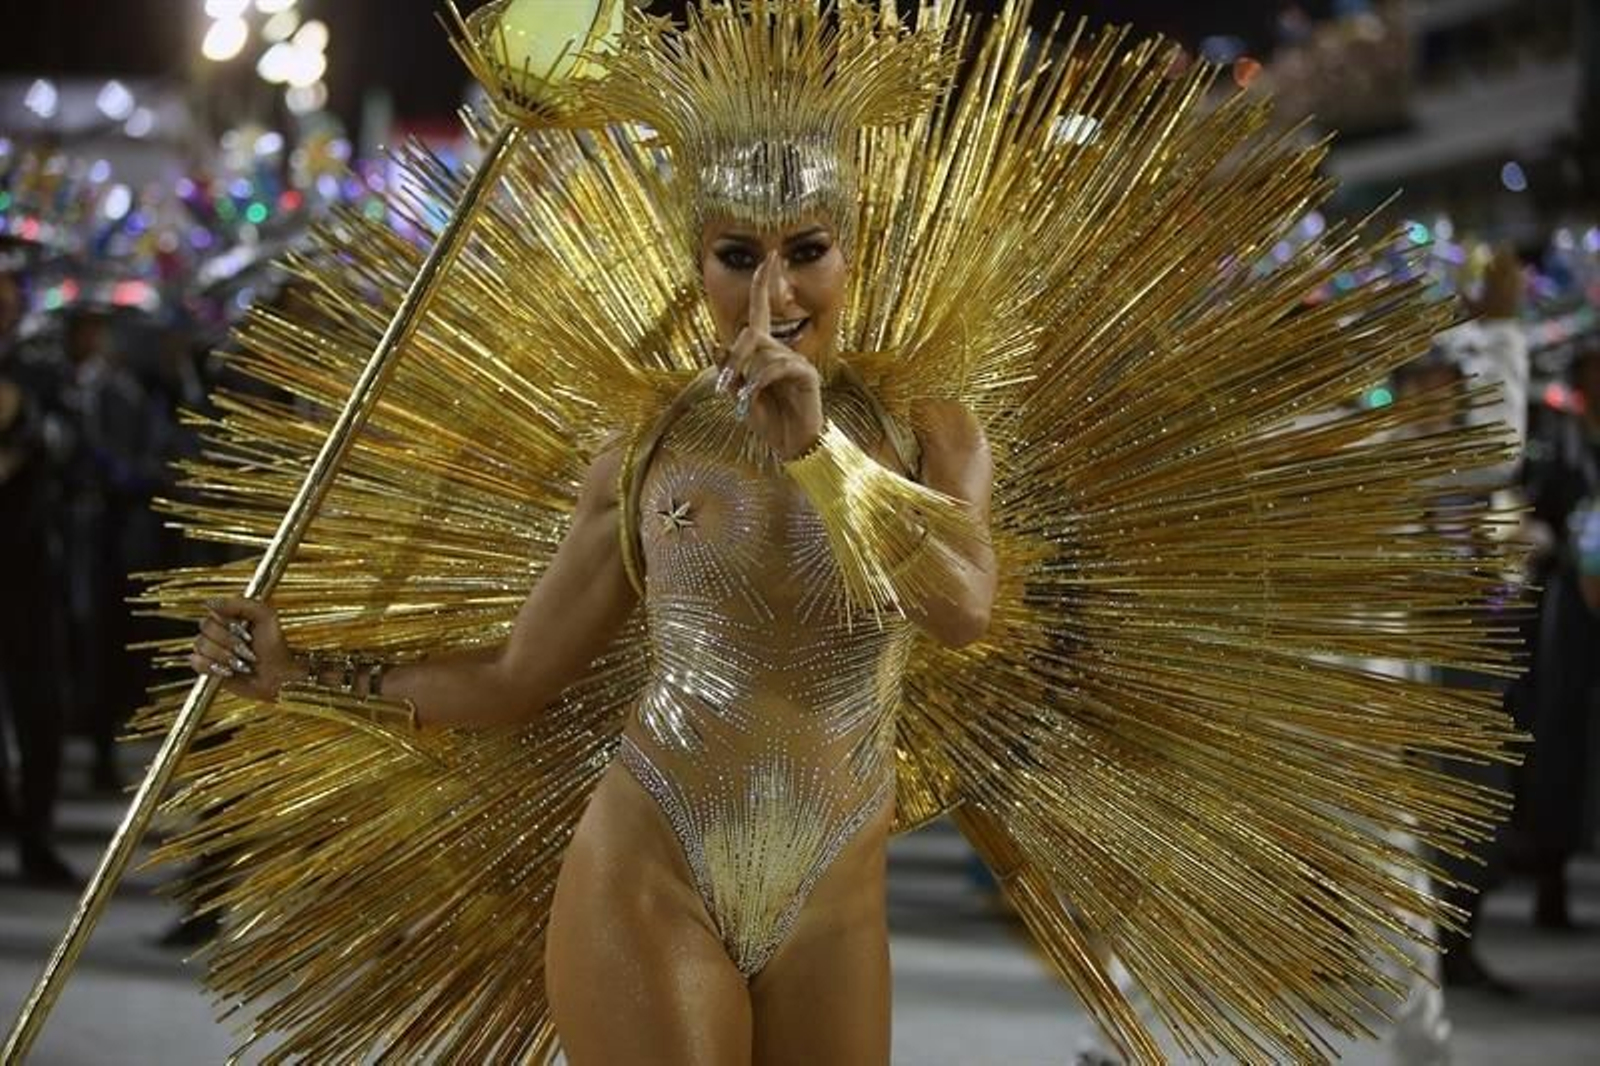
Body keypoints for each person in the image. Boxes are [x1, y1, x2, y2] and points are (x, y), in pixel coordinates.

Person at [151, 3, 1519, 1063]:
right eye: (736, 253)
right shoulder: (642, 452)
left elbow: (964, 604)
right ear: (694, 267)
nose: (775, 289)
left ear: (851, 250)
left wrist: (818, 447)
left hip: (830, 894)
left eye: (806, 247)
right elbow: (516, 682)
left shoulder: (933, 429)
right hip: (652, 862)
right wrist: (304, 669)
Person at [0, 267, 74, 886]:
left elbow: (67, 449)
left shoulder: (39, 373)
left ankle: (36, 835)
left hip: (26, 562)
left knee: (38, 705)